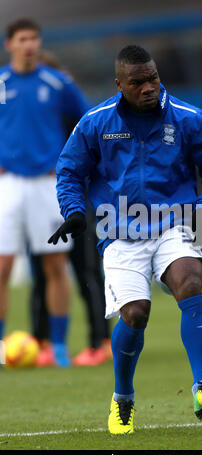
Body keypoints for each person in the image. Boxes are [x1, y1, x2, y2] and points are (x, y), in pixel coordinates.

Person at [49, 45, 202, 433]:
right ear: (120, 85)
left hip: (174, 222)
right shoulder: (96, 122)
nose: (149, 87)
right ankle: (123, 398)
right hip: (119, 230)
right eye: (138, 82)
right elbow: (68, 171)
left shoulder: (187, 118)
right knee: (135, 314)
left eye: (153, 78)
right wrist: (75, 212)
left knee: (191, 282)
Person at [0, 18, 89, 367]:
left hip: (47, 184)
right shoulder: (1, 82)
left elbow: (86, 124)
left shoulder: (57, 82)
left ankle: (59, 347)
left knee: (55, 265)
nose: (29, 45)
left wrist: (68, 163)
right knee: (3, 266)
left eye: (34, 39)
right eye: (23, 39)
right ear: (10, 44)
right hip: (8, 184)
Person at [29, 49, 112, 366]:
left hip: (76, 195)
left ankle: (99, 341)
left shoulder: (72, 111)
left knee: (84, 270)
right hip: (40, 193)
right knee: (46, 271)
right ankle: (43, 343)